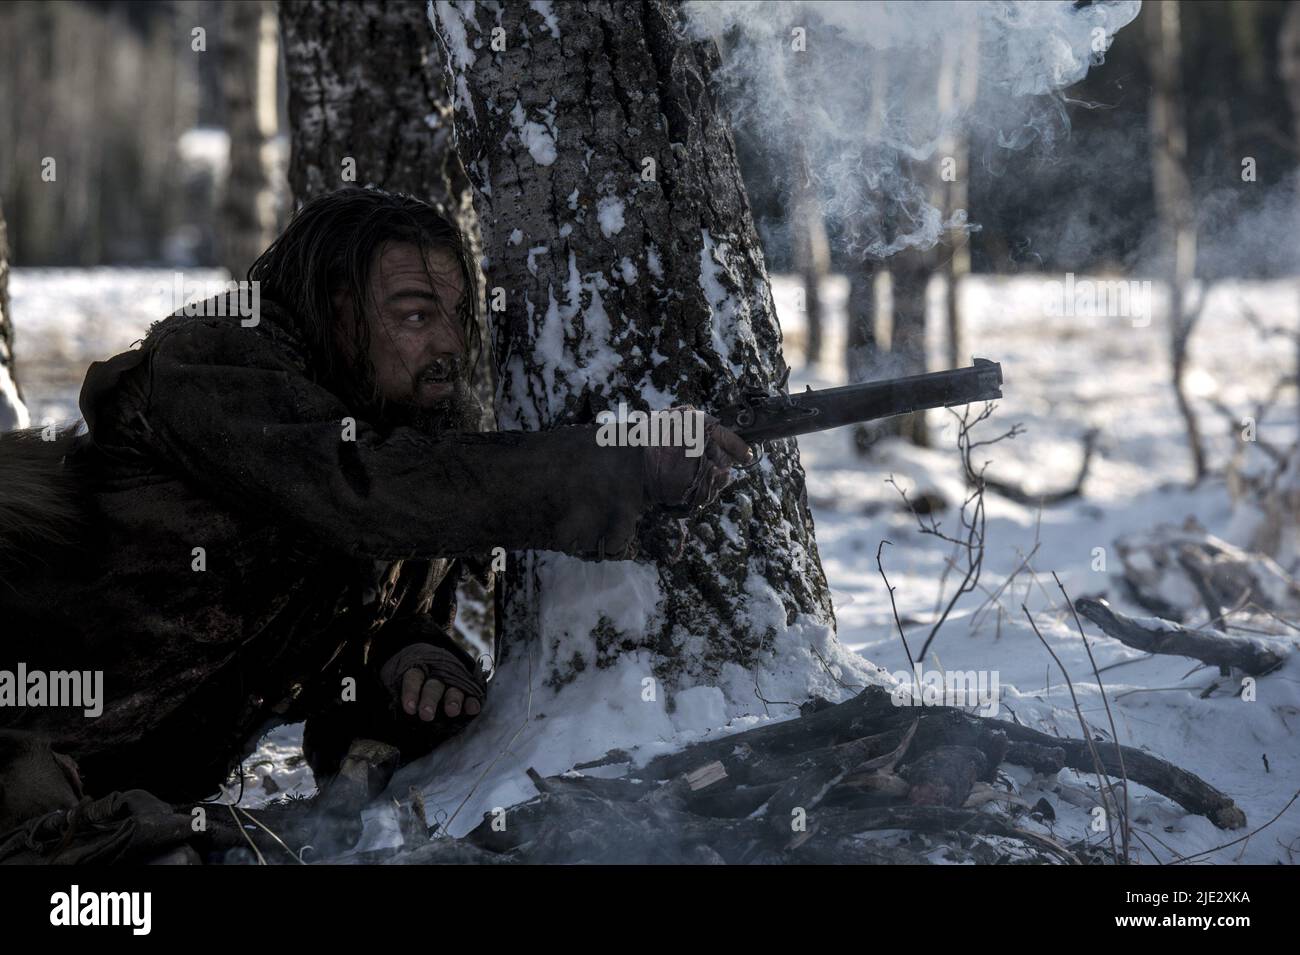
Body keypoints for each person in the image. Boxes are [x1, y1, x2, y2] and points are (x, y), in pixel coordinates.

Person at [0, 187, 752, 811]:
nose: (451, 346)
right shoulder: (214, 364)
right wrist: (612, 465)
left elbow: (338, 657)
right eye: (416, 314)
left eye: (457, 317)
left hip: (106, 793)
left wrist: (410, 666)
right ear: (339, 312)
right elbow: (360, 492)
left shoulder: (408, 451)